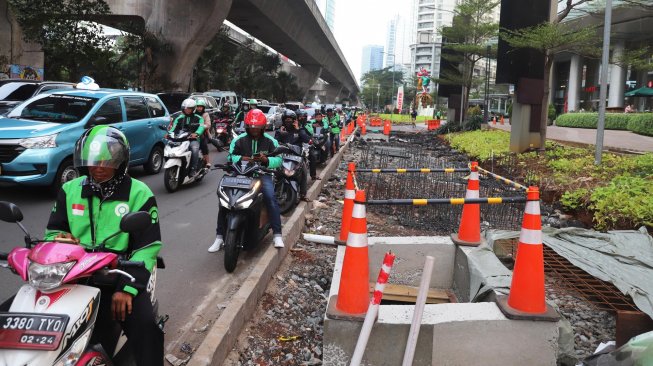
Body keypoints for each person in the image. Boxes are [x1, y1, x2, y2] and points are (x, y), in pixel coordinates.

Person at [45, 125, 164, 365]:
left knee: (146, 331)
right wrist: (59, 239)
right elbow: (53, 232)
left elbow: (147, 246)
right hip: (74, 274)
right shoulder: (70, 190)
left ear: (119, 161)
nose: (98, 167)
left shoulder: (139, 193)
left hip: (119, 273)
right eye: (92, 161)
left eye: (105, 161)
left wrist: (126, 289)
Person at [209, 109, 285, 252]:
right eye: (252, 127)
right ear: (247, 127)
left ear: (263, 128)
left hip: (261, 174)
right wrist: (241, 158)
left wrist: (266, 160)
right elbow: (230, 156)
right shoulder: (238, 140)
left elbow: (279, 160)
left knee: (270, 198)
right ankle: (219, 237)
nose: (255, 130)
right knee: (225, 202)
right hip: (239, 174)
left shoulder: (271, 141)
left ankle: (277, 234)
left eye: (257, 128)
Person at [275, 110, 311, 201]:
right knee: (274, 172)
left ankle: (303, 194)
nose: (288, 121)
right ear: (283, 120)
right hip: (283, 156)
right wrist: (281, 134)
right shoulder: (280, 130)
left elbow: (307, 139)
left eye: (290, 119)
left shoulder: (300, 129)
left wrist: (299, 129)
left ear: (294, 120)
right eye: (286, 119)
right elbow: (275, 142)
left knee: (304, 172)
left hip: (297, 157)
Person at [168, 99, 204, 177]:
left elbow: (201, 127)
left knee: (194, 149)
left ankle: (193, 169)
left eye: (189, 108)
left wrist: (196, 133)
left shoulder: (198, 118)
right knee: (168, 146)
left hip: (193, 139)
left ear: (193, 109)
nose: (187, 110)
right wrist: (169, 134)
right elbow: (173, 128)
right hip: (180, 139)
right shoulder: (179, 118)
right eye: (185, 108)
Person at [195, 99, 212, 167]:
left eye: (201, 107)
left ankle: (207, 162)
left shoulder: (205, 114)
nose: (199, 108)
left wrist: (201, 126)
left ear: (203, 108)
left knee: (204, 146)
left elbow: (208, 124)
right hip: (191, 133)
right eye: (198, 106)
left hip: (202, 134)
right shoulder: (193, 114)